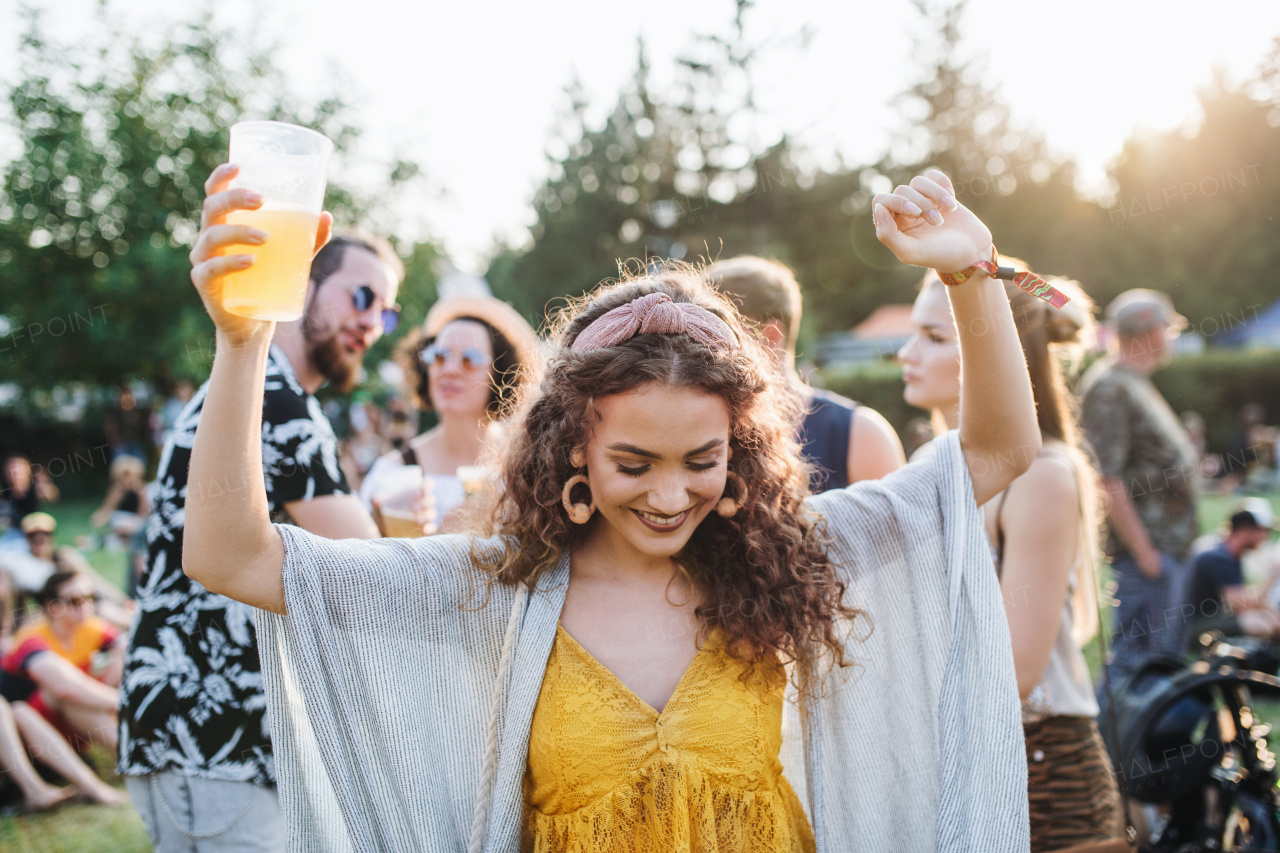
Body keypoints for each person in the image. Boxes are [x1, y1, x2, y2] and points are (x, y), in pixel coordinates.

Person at [180, 165, 1043, 851]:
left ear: (738, 453)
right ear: (573, 451)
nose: (672, 496)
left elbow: (1001, 449)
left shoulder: (785, 555)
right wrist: (244, 338)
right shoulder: (495, 590)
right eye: (634, 462)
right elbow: (231, 557)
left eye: (702, 460)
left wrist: (971, 267)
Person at [118, 206, 401, 851]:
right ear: (302, 283)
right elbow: (368, 560)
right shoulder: (275, 399)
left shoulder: (267, 391)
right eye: (362, 297)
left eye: (386, 313)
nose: (371, 323)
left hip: (202, 724)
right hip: (209, 726)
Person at [898, 265, 1120, 850]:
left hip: (1040, 768)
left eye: (935, 337)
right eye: (913, 332)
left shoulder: (1043, 476)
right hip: (955, 757)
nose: (905, 352)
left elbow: (1018, 668)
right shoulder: (928, 463)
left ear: (992, 349)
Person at [703, 256, 905, 489]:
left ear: (769, 338)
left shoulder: (861, 435)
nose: (697, 351)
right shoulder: (700, 430)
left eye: (714, 337)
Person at [1081, 288, 1199, 663]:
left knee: (1158, 664)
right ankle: (1116, 726)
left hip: (1165, 549)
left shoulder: (1133, 382)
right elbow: (1104, 476)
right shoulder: (1111, 387)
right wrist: (1145, 553)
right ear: (1151, 331)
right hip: (1148, 556)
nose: (1172, 337)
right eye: (1169, 329)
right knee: (1137, 664)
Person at [358, 295, 540, 533]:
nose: (450, 369)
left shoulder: (532, 472)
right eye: (439, 356)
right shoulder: (391, 476)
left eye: (469, 359)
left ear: (501, 372)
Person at [0, 569, 130, 806]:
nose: (85, 606)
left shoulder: (91, 628)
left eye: (90, 597)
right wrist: (125, 702)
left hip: (64, 731)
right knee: (53, 699)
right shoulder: (32, 639)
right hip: (25, 739)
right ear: (53, 607)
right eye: (75, 601)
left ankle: (135, 759)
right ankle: (103, 780)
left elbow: (128, 646)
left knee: (119, 661)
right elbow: (65, 687)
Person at [0, 512, 132, 630]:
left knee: (111, 614)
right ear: (27, 539)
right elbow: (17, 606)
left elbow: (94, 581)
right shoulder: (23, 567)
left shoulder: (65, 556)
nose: (39, 540)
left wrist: (123, 601)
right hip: (51, 615)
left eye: (45, 534)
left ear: (52, 536)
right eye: (33, 536)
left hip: (83, 606)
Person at [1184, 500, 1280, 648]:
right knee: (1258, 623)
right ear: (1244, 530)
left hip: (1205, 619)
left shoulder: (1226, 550)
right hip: (1189, 628)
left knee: (1264, 618)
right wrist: (1272, 575)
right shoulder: (1218, 557)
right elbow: (1243, 604)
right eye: (1263, 530)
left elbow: (1243, 598)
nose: (1265, 537)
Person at [1, 455, 58, 548]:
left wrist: (45, 485)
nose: (14, 473)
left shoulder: (36, 487)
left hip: (37, 532)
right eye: (11, 469)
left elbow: (52, 496)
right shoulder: (4, 490)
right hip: (15, 531)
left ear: (27, 470)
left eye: (18, 469)